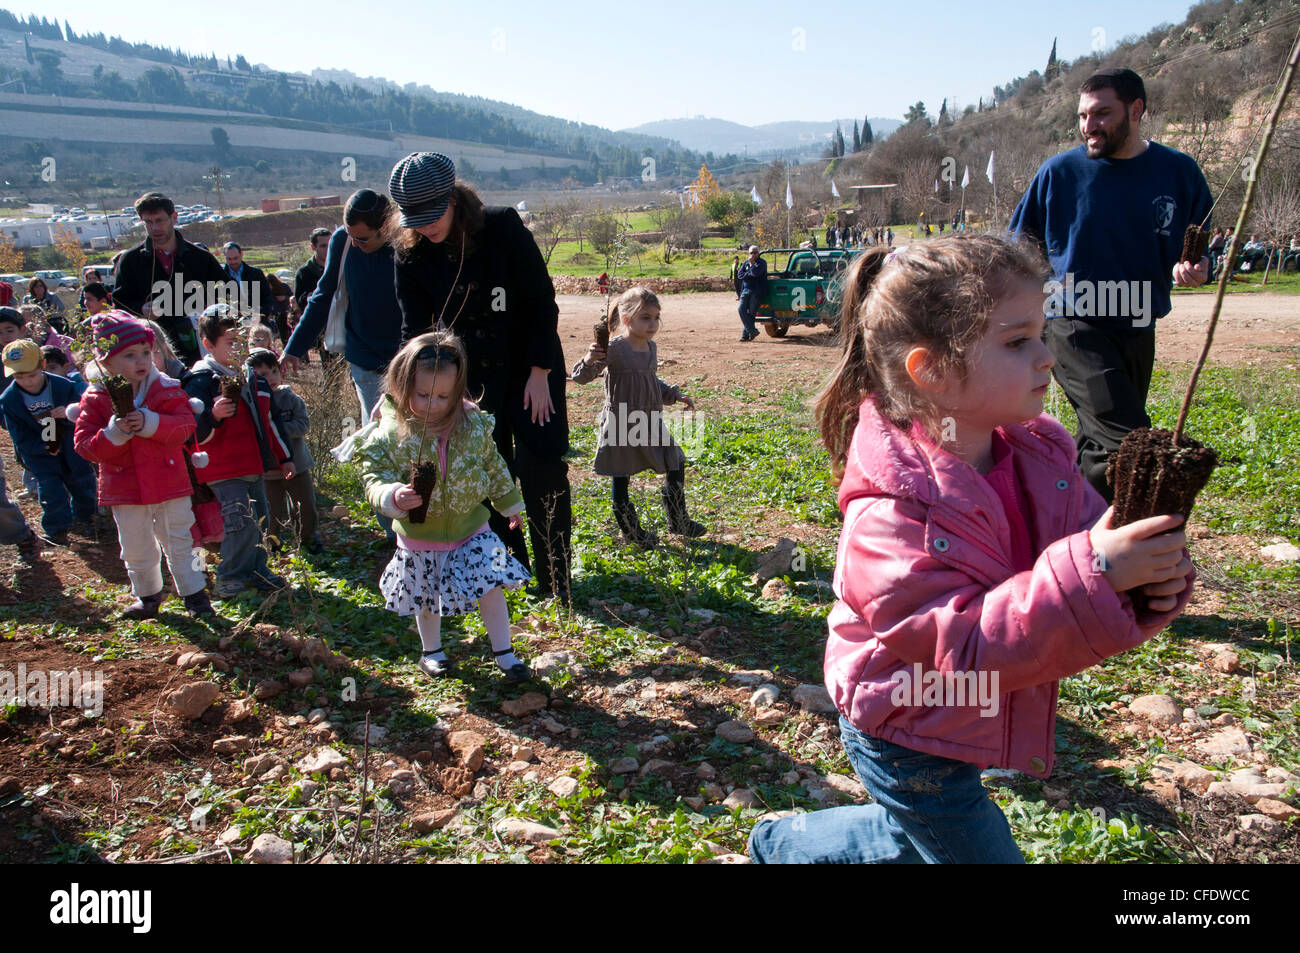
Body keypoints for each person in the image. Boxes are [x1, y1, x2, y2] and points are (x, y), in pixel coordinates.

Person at [746, 235, 1195, 864]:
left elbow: (1084, 553)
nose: (1046, 358)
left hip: (967, 711)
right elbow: (965, 646)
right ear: (930, 370)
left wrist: (1143, 578)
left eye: (1043, 334)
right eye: (1017, 342)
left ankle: (786, 844)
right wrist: (1096, 570)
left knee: (908, 839)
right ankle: (786, 845)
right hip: (903, 724)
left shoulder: (1038, 455)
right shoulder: (891, 510)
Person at [1009, 68, 1212, 499]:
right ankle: (1147, 541)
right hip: (1072, 322)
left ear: (1136, 110)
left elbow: (1197, 250)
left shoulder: (1179, 173)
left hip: (1139, 320)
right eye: (1083, 116)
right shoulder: (1058, 174)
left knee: (1099, 447)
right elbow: (1018, 249)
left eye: (1101, 113)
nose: (1089, 126)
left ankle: (1071, 528)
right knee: (1131, 440)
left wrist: (1195, 268)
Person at [390, 152, 573, 602]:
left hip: (529, 367)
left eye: (434, 215)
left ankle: (557, 581)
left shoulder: (502, 228)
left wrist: (540, 373)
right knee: (486, 477)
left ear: (454, 199)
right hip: (464, 383)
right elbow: (413, 329)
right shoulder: (411, 253)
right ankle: (511, 575)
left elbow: (540, 303)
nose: (427, 227)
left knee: (541, 470)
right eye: (417, 219)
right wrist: (404, 388)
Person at [355, 331, 533, 681]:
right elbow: (372, 476)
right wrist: (392, 495)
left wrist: (509, 503)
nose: (433, 404)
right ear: (401, 385)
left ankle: (506, 654)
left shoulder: (471, 424)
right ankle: (432, 652)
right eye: (423, 395)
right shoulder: (391, 432)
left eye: (443, 396)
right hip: (420, 533)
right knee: (425, 593)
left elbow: (492, 464)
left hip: (473, 527)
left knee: (492, 584)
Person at [70, 313, 214, 618]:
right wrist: (114, 433)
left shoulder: (167, 389)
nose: (142, 361)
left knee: (181, 539)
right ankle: (147, 595)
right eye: (130, 355)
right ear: (106, 362)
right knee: (135, 545)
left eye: (146, 353)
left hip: (169, 482)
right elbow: (85, 446)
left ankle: (195, 593)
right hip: (125, 487)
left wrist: (151, 422)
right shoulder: (96, 398)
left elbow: (185, 426)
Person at [571, 287, 704, 547]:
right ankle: (631, 531)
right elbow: (580, 378)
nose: (653, 324)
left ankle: (677, 518)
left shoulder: (651, 347)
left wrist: (673, 395)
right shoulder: (614, 349)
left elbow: (650, 380)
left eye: (656, 317)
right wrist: (589, 358)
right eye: (645, 317)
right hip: (621, 422)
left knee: (675, 461)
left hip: (648, 419)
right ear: (626, 319)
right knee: (621, 478)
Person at [184, 305, 295, 598]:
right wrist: (213, 415)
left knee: (260, 519)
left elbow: (271, 421)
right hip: (221, 467)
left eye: (240, 343)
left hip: (253, 463)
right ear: (208, 344)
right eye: (229, 343)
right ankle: (230, 575)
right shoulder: (201, 381)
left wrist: (284, 457)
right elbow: (191, 428)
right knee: (239, 521)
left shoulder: (254, 379)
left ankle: (258, 569)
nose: (236, 350)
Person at [282, 191, 403, 425]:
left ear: (386, 227)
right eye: (351, 236)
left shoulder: (406, 242)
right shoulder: (343, 242)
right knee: (377, 432)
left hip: (408, 357)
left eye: (363, 239)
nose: (355, 244)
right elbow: (323, 295)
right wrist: (294, 347)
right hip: (366, 358)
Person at [112, 193, 231, 365]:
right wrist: (141, 309)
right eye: (148, 222)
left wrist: (208, 311)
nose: (154, 228)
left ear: (174, 217)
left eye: (160, 220)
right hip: (152, 351)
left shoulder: (200, 258)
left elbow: (228, 294)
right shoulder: (131, 261)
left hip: (200, 347)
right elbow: (120, 304)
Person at [1, 337, 99, 544]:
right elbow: (19, 434)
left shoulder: (64, 386)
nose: (28, 381)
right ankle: (57, 530)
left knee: (82, 482)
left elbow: (86, 413)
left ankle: (88, 519)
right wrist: (42, 447)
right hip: (40, 453)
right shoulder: (9, 400)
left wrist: (69, 414)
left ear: (43, 366)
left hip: (69, 446)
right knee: (50, 490)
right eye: (19, 376)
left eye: (32, 375)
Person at [248, 348, 321, 552]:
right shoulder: (252, 403)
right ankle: (273, 543)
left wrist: (277, 429)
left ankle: (308, 538)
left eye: (273, 371)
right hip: (269, 472)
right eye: (262, 375)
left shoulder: (291, 399)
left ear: (281, 372)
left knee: (305, 505)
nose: (270, 378)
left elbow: (303, 425)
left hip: (297, 465)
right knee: (272, 511)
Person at [292, 227, 333, 365]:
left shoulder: (340, 267)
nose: (327, 249)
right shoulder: (305, 273)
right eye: (323, 246)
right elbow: (301, 300)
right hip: (322, 325)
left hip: (344, 322)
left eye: (330, 244)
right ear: (313, 247)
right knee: (330, 366)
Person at [222, 242, 272, 323]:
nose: (233, 262)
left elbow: (267, 297)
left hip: (257, 321)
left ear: (241, 254)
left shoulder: (256, 274)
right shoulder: (220, 276)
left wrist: (261, 315)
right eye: (229, 259)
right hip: (232, 323)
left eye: (235, 258)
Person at [735, 245, 767, 342]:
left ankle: (745, 336)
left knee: (751, 314)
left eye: (755, 252)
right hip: (745, 290)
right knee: (741, 310)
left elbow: (756, 273)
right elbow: (740, 275)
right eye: (751, 253)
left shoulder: (762, 263)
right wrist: (748, 272)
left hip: (756, 291)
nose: (753, 254)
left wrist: (750, 267)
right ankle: (753, 331)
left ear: (758, 253)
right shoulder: (745, 263)